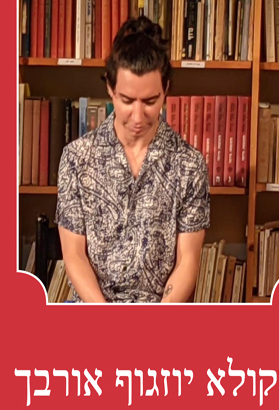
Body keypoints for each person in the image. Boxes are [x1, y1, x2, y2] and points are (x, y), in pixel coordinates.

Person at [54, 16, 210, 303]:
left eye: (150, 101)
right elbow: (74, 255)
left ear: (166, 90)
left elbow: (188, 260)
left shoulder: (190, 165)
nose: (138, 117)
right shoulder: (76, 158)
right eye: (127, 101)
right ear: (110, 88)